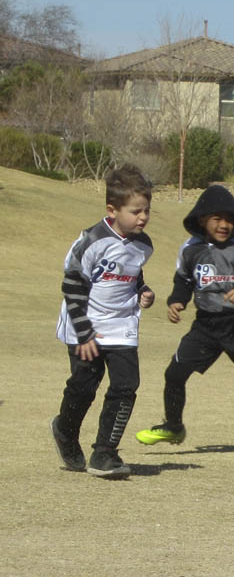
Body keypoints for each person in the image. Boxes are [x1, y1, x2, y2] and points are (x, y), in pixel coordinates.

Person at [135, 185, 234, 445]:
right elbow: (183, 279)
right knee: (174, 374)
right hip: (206, 326)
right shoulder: (190, 248)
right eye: (217, 219)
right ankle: (173, 427)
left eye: (230, 220)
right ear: (202, 220)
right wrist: (177, 301)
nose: (224, 225)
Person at [52, 164, 155, 479]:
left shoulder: (144, 245)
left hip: (121, 326)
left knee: (126, 386)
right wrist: (84, 333)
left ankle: (104, 454)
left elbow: (131, 275)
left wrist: (143, 291)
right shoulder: (92, 240)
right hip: (86, 325)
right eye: (136, 211)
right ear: (112, 210)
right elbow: (72, 284)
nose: (143, 217)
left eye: (147, 210)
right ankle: (65, 430)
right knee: (84, 387)